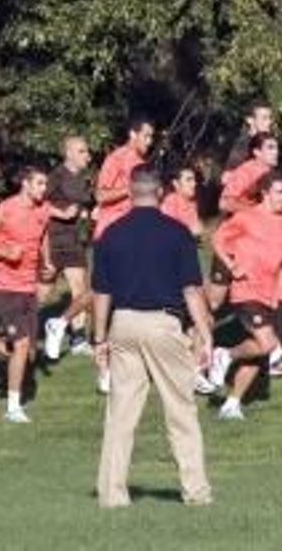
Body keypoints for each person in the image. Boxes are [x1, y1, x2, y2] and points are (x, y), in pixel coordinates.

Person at [90, 168, 214, 508]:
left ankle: (112, 494)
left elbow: (100, 293)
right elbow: (191, 290)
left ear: (130, 192)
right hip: (163, 323)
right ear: (160, 192)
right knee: (180, 410)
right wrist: (205, 335)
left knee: (120, 413)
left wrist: (99, 339)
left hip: (123, 323)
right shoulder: (177, 232)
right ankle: (195, 491)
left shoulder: (111, 234)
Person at [208, 173, 282, 419]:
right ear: (265, 193)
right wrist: (231, 265)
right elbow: (217, 239)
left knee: (259, 354)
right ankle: (224, 355)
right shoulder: (246, 217)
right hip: (247, 291)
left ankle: (231, 404)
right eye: (280, 192)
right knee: (266, 343)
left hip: (272, 294)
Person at [0, 165, 55, 423]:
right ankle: (13, 408)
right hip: (6, 287)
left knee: (29, 353)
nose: (44, 189)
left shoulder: (43, 209)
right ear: (25, 184)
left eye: (45, 184)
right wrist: (6, 253)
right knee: (21, 346)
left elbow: (43, 234)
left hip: (29, 287)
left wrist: (46, 262)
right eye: (39, 183)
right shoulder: (6, 209)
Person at [207, 133, 279, 311]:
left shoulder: (271, 175)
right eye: (270, 148)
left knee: (259, 296)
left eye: (276, 147)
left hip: (252, 245)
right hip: (231, 242)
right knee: (214, 302)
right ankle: (188, 313)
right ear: (256, 152)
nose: (276, 152)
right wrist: (254, 213)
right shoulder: (247, 172)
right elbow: (224, 203)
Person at [42, 135, 95, 360]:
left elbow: (80, 206)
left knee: (80, 290)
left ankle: (78, 340)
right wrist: (61, 213)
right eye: (82, 151)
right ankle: (1, 331)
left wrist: (86, 213)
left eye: (87, 151)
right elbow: (38, 202)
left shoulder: (82, 179)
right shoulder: (55, 177)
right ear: (69, 153)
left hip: (73, 241)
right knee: (41, 294)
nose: (88, 156)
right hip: (52, 241)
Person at [93, 117, 154, 242]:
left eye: (151, 137)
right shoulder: (116, 158)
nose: (149, 141)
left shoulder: (142, 163)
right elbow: (100, 195)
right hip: (112, 233)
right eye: (146, 136)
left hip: (133, 233)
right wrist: (130, 188)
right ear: (132, 134)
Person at [224, 100, 275, 170]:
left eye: (270, 118)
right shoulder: (242, 147)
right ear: (250, 120)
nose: (269, 122)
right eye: (264, 118)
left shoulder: (266, 142)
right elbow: (231, 173)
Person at [160, 166, 204, 240]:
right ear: (176, 183)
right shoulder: (170, 203)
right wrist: (190, 232)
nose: (194, 184)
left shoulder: (191, 203)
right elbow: (165, 234)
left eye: (194, 180)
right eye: (188, 180)